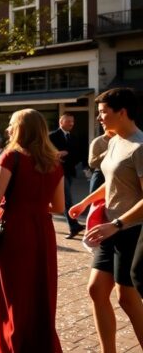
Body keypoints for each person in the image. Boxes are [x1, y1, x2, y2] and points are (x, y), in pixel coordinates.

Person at [0, 108, 64, 352]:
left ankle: (11, 345)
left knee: (12, 295)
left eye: (11, 124)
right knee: (38, 292)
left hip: (15, 231)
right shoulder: (54, 162)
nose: (8, 129)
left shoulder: (11, 157)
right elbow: (59, 207)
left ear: (20, 129)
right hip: (42, 231)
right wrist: (35, 203)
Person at [69, 88, 143, 351]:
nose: (99, 118)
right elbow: (112, 182)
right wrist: (85, 202)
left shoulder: (140, 146)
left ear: (122, 112)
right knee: (97, 290)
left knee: (126, 298)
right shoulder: (113, 141)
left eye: (103, 112)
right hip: (109, 228)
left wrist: (117, 224)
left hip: (132, 230)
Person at [49, 113, 84, 239]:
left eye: (72, 121)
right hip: (56, 172)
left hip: (69, 172)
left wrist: (67, 154)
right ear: (61, 122)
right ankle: (74, 226)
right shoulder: (51, 136)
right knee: (66, 199)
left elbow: (78, 154)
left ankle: (74, 225)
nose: (71, 124)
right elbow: (45, 152)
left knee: (64, 199)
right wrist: (57, 154)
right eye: (68, 121)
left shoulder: (73, 137)